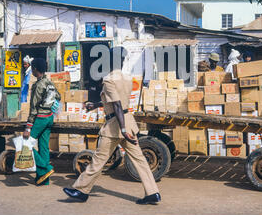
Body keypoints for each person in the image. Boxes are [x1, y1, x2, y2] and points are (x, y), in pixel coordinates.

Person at [63, 47, 161, 204]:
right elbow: (115, 100)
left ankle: (81, 191)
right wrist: (95, 105)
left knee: (99, 159)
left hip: (116, 126)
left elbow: (116, 104)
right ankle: (153, 192)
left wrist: (122, 130)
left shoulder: (109, 79)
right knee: (139, 159)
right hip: (128, 123)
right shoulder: (127, 78)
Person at [23, 58, 61, 186]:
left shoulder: (38, 85)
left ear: (34, 69)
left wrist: (28, 127)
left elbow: (33, 107)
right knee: (43, 147)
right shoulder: (49, 83)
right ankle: (43, 179)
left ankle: (46, 169)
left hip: (40, 118)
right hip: (50, 117)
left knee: (26, 144)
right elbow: (59, 96)